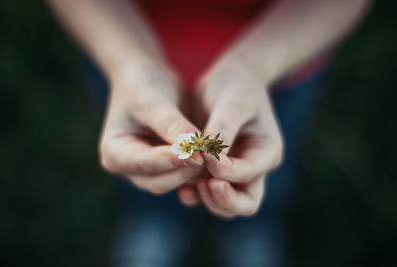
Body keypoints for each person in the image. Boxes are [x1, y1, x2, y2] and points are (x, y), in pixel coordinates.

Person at [46, 0, 372, 266]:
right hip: (124, 53)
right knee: (149, 164)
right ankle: (154, 220)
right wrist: (130, 65)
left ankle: (252, 226)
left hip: (281, 65)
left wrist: (253, 67)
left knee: (262, 164)